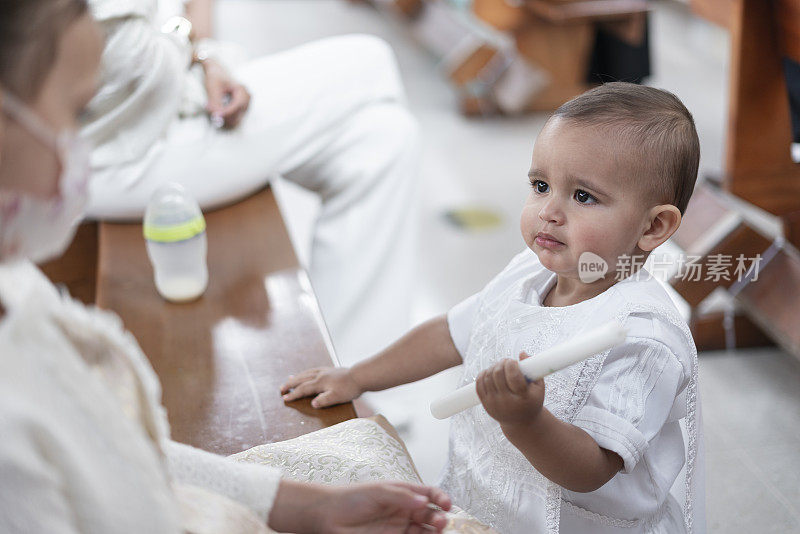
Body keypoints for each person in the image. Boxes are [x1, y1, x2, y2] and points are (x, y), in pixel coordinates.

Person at [0, 1, 451, 532]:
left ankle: (353, 389)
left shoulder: (21, 294)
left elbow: (117, 445)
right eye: (78, 114)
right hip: (147, 137)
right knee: (370, 64)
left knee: (385, 135)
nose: (78, 143)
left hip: (173, 86)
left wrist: (304, 505)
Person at [281, 83, 706, 533]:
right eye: (541, 186)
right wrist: (357, 377)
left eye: (583, 196)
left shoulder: (643, 337)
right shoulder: (529, 272)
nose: (548, 211)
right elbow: (451, 334)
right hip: (487, 506)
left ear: (654, 225)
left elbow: (593, 469)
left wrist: (527, 422)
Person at [81, 0, 420, 365]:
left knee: (385, 138)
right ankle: (368, 388)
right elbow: (128, 65)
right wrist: (187, 42)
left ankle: (353, 377)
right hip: (114, 153)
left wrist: (205, 58)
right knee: (370, 61)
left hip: (157, 111)